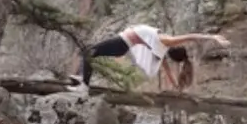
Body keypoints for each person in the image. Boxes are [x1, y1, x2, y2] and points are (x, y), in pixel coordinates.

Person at [67, 24, 231, 92]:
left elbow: (189, 36)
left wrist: (212, 37)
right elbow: (166, 71)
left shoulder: (165, 41)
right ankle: (82, 80)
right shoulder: (162, 51)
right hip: (123, 46)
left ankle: (83, 85)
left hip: (122, 43)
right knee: (90, 54)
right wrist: (176, 87)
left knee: (88, 53)